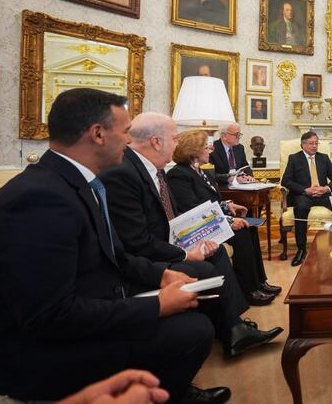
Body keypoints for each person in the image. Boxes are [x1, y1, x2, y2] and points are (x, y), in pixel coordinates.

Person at [0, 89, 227, 403]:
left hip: (95, 301)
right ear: (98, 134)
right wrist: (156, 305)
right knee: (192, 331)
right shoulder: (40, 199)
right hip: (39, 352)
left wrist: (161, 277)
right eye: (126, 132)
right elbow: (50, 315)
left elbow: (116, 255)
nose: (130, 141)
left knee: (195, 300)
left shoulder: (77, 181)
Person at [99, 112, 282, 357]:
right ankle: (232, 328)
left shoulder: (155, 169)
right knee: (208, 260)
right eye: (174, 138)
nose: (177, 145)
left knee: (214, 250)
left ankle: (233, 327)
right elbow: (137, 241)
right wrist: (186, 251)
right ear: (156, 142)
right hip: (146, 256)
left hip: (167, 241)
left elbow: (172, 216)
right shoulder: (124, 172)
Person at [167, 129, 281, 305]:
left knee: (249, 229)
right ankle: (249, 291)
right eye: (206, 147)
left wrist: (227, 205)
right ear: (194, 151)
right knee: (242, 233)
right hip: (199, 229)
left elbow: (210, 200)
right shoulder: (178, 174)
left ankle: (259, 282)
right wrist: (229, 220)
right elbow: (194, 211)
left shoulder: (198, 170)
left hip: (211, 222)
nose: (210, 151)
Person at [281, 131, 332, 266]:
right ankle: (301, 249)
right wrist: (305, 190)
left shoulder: (324, 158)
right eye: (311, 143)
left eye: (316, 143)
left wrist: (325, 188)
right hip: (303, 194)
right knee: (301, 208)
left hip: (322, 194)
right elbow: (286, 181)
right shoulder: (294, 158)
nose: (314, 146)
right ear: (303, 145)